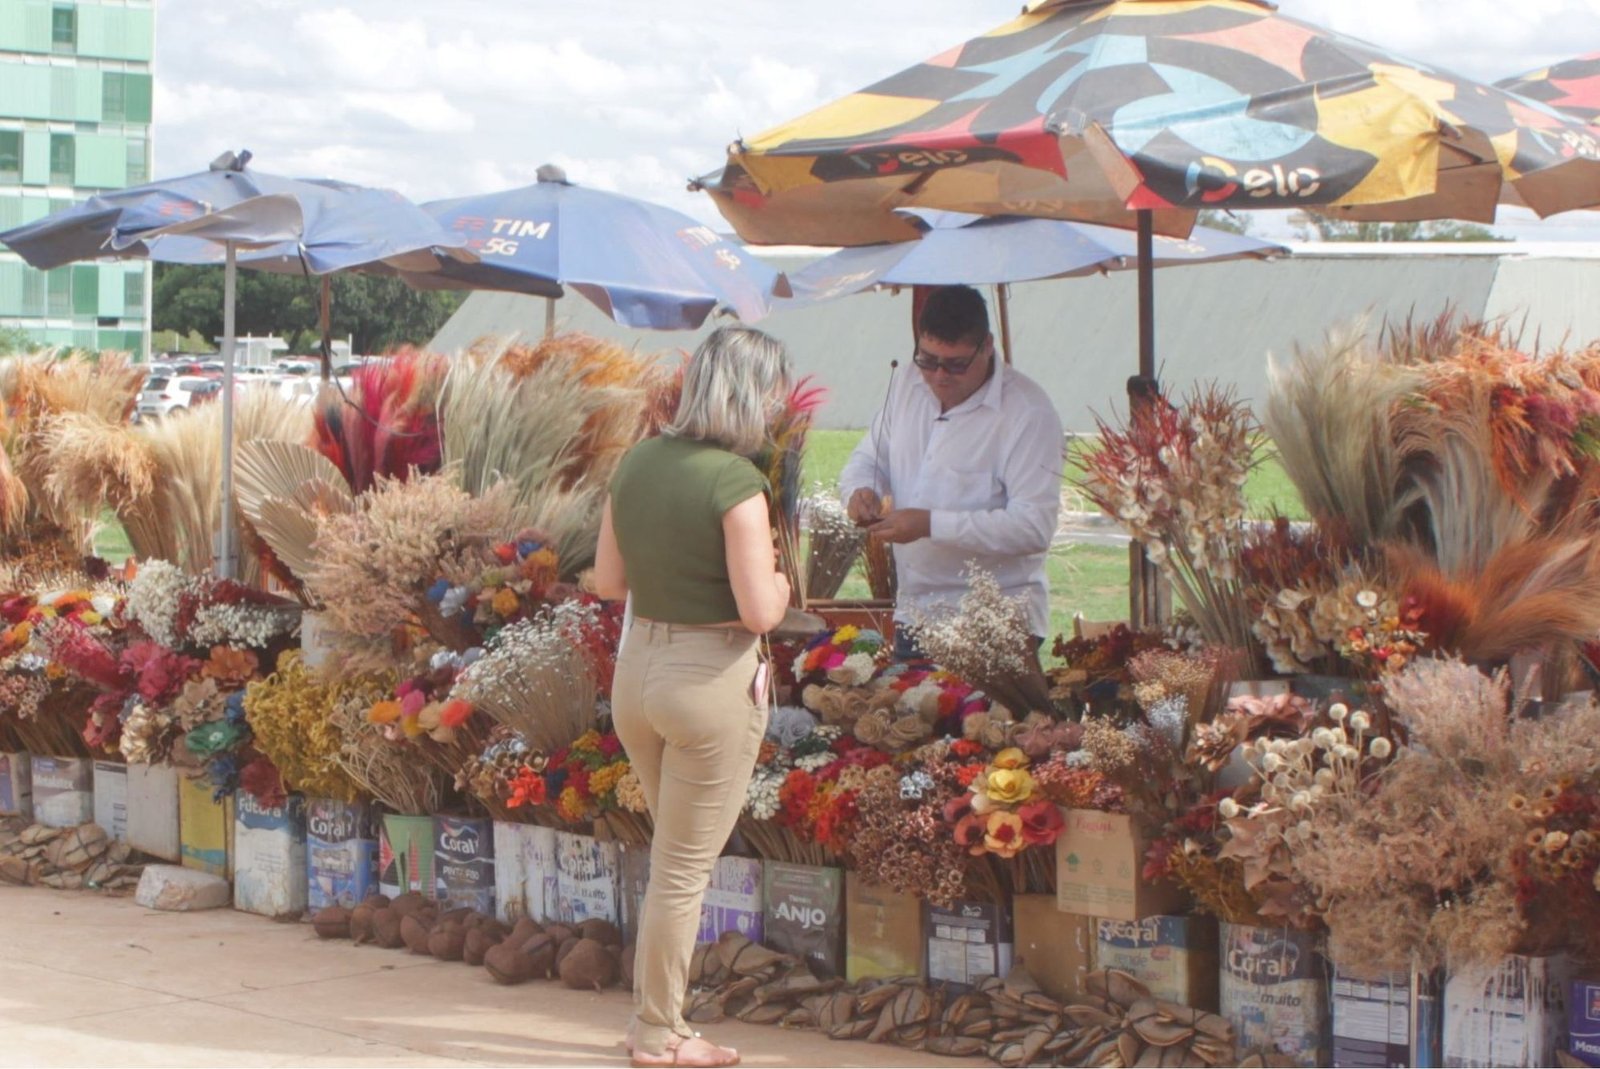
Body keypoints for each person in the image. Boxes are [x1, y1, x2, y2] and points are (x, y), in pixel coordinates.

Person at [594, 325, 792, 1069]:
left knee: (668, 862)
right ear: (749, 394)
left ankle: (655, 1018)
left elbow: (609, 582)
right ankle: (658, 1032)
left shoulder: (636, 461)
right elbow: (761, 611)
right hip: (709, 681)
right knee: (681, 872)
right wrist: (779, 576)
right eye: (770, 391)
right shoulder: (737, 482)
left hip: (638, 672)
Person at [840, 284, 1063, 655]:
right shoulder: (908, 382)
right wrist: (862, 490)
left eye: (956, 363)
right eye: (928, 359)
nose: (939, 375)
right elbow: (869, 458)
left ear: (987, 346)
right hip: (916, 614)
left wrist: (931, 524)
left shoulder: (1028, 413)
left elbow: (1033, 527)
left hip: (995, 622)